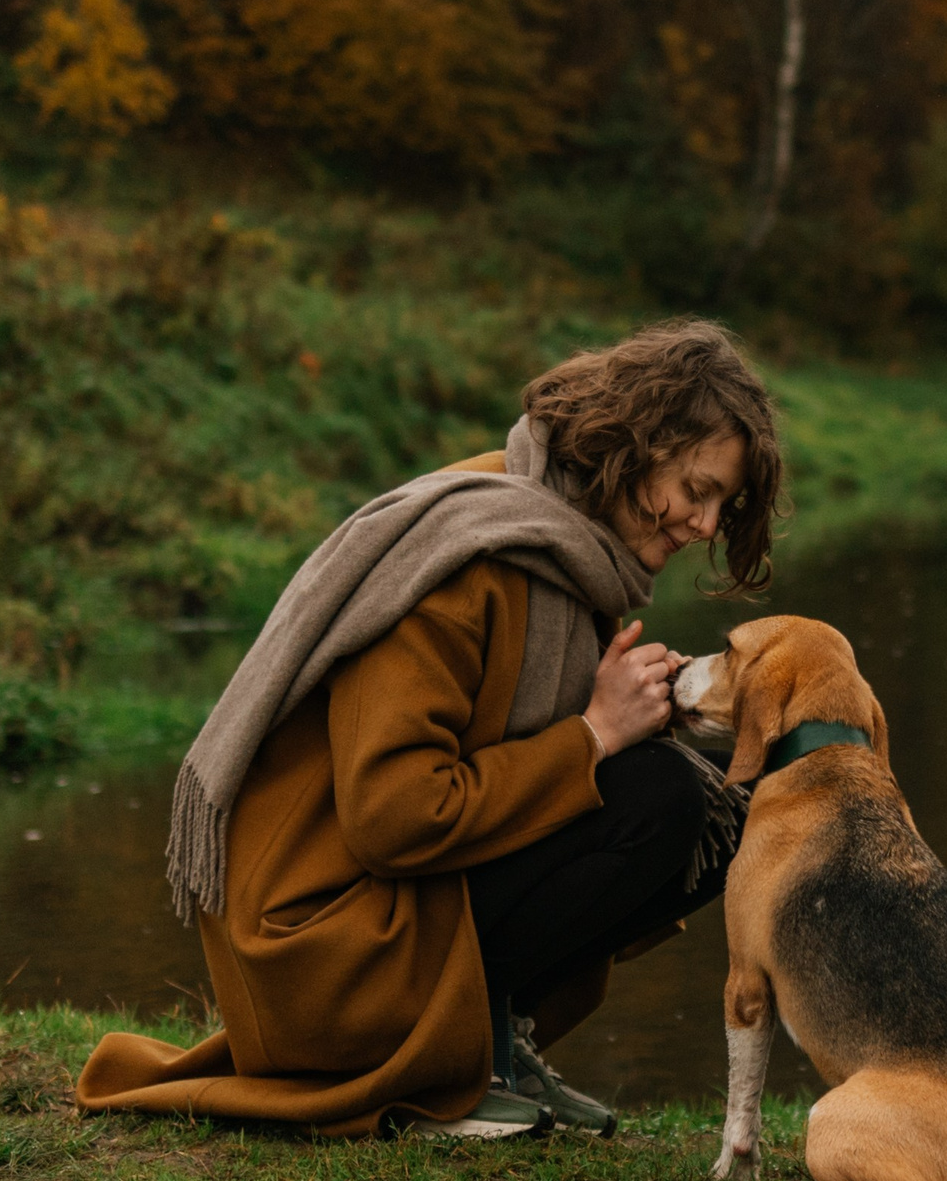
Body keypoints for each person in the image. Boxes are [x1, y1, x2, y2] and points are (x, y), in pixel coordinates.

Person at [76, 320, 783, 1137]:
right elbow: (392, 817)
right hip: (324, 956)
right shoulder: (472, 555)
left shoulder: (567, 549)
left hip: (396, 911)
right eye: (696, 489)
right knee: (658, 792)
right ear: (638, 442)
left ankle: (489, 1043)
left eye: (721, 505)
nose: (704, 524)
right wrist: (591, 733)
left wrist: (628, 717)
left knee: (728, 805)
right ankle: (456, 1059)